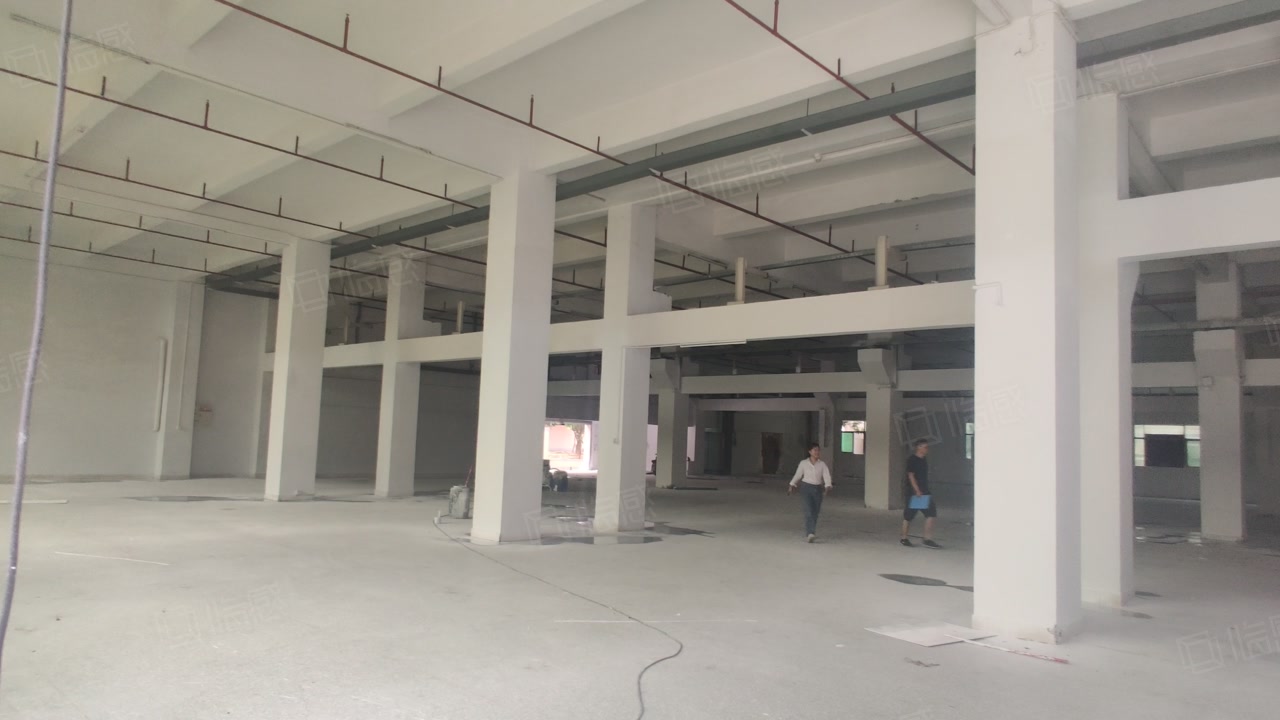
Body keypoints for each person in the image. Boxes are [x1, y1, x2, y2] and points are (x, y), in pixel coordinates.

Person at [788, 443, 832, 543]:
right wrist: (792, 484)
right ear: (810, 452)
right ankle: (810, 533)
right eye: (815, 450)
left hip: (818, 489)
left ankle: (811, 531)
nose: (817, 452)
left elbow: (826, 476)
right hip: (806, 488)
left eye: (818, 450)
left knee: (815, 511)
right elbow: (798, 474)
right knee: (808, 510)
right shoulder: (803, 463)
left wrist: (827, 486)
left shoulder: (822, 464)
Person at [901, 439, 941, 548]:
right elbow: (911, 476)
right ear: (919, 447)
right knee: (908, 516)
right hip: (914, 493)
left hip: (925, 492)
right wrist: (917, 490)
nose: (927, 449)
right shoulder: (912, 460)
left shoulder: (924, 459)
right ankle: (904, 538)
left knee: (931, 514)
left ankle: (927, 539)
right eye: (925, 447)